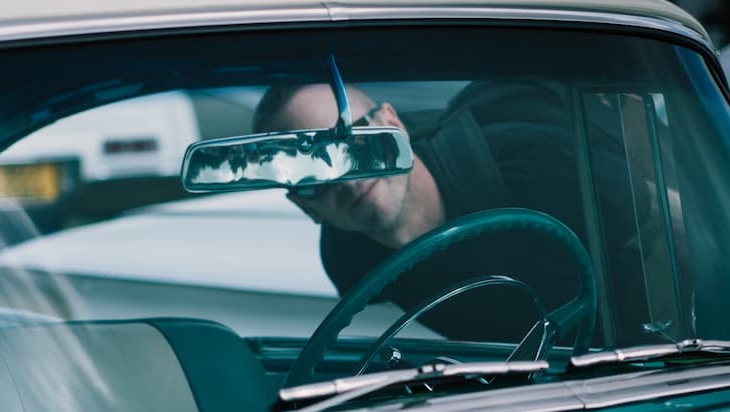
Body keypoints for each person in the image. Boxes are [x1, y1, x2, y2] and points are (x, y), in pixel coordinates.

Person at [253, 81, 624, 343]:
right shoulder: (348, 256)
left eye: (353, 144)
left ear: (392, 124)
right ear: (306, 207)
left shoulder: (538, 165)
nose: (348, 181)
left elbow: (673, 219)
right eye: (314, 176)